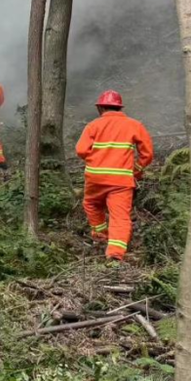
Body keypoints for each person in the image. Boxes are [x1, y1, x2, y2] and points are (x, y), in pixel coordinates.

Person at [75, 90, 154, 262]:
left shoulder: (93, 126)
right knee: (120, 216)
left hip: (95, 178)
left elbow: (81, 150)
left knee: (91, 204)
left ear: (100, 108)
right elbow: (147, 154)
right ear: (119, 107)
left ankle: (100, 233)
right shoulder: (134, 125)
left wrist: (94, 159)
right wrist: (137, 170)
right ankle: (115, 253)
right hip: (121, 180)